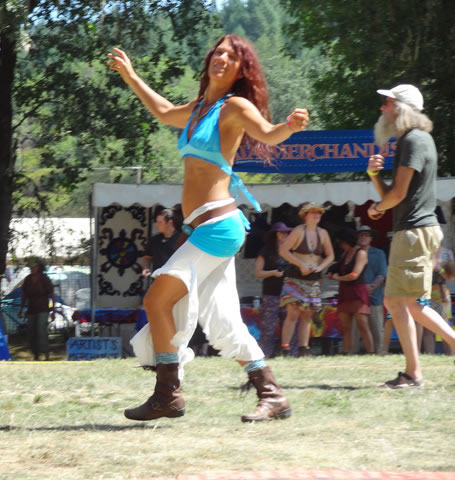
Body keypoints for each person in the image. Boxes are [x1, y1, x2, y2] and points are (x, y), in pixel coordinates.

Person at [107, 34, 309, 422]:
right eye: (218, 52)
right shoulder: (199, 108)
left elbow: (268, 133)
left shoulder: (234, 107)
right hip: (203, 230)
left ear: (241, 70)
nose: (222, 58)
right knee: (223, 324)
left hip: (219, 226)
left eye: (231, 56)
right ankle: (273, 395)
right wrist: (131, 76)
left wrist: (290, 125)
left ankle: (167, 394)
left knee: (157, 300)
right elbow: (164, 111)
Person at [367, 84, 455, 388]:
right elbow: (396, 195)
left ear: (401, 108)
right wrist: (374, 176)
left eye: (387, 103)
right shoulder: (414, 140)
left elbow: (396, 196)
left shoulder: (413, 140)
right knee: (398, 302)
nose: (382, 108)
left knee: (411, 303)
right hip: (413, 230)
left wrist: (376, 209)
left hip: (413, 232)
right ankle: (413, 373)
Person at [279, 203, 334, 357]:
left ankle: (304, 348)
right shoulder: (298, 231)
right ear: (305, 215)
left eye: (319, 213)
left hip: (313, 277)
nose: (317, 215)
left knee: (308, 313)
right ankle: (285, 348)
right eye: (313, 212)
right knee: (293, 313)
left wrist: (320, 267)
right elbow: (283, 251)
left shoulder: (322, 233)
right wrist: (301, 265)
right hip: (295, 276)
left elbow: (330, 255)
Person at [329, 228, 374, 354]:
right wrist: (333, 273)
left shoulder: (361, 253)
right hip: (345, 291)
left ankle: (371, 352)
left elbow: (354, 275)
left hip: (357, 291)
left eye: (342, 242)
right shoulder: (345, 255)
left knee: (362, 323)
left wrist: (337, 278)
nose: (340, 245)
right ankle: (346, 352)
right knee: (345, 325)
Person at [255, 222, 292, 357]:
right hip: (271, 294)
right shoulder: (265, 251)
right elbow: (258, 273)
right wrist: (273, 273)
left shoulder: (291, 251)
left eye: (287, 232)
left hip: (288, 294)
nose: (285, 235)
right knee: (268, 328)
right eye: (282, 232)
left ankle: (289, 354)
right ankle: (264, 355)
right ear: (275, 234)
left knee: (289, 326)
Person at [356, 225, 387, 353]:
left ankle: (379, 353)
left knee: (377, 327)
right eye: (360, 235)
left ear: (371, 238)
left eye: (366, 235)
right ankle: (352, 353)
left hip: (374, 296)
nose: (363, 237)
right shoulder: (353, 253)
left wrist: (372, 286)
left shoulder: (379, 253)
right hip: (356, 296)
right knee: (355, 328)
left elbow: (382, 274)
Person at [19, 259, 56, 361]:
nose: (32, 268)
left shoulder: (45, 279)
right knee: (31, 332)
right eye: (31, 267)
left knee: (41, 331)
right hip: (31, 309)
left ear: (39, 267)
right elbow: (24, 295)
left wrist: (53, 311)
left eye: (34, 266)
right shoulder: (27, 279)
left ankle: (46, 353)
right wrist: (21, 309)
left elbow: (52, 295)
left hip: (43, 309)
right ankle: (36, 354)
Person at [142, 208, 181, 277]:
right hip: (157, 279)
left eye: (160, 222)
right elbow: (147, 258)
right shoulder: (154, 240)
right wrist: (146, 268)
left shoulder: (182, 240)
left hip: (175, 279)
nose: (157, 225)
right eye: (156, 222)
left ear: (170, 223)